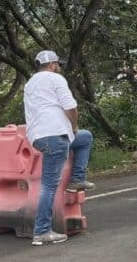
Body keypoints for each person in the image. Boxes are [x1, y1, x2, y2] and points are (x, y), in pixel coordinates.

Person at [24, 50, 95, 246]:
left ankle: (77, 179)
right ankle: (42, 231)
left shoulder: (30, 84)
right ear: (53, 64)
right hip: (56, 135)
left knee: (85, 137)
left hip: (39, 137)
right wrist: (73, 125)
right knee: (48, 186)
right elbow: (70, 106)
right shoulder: (56, 79)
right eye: (58, 65)